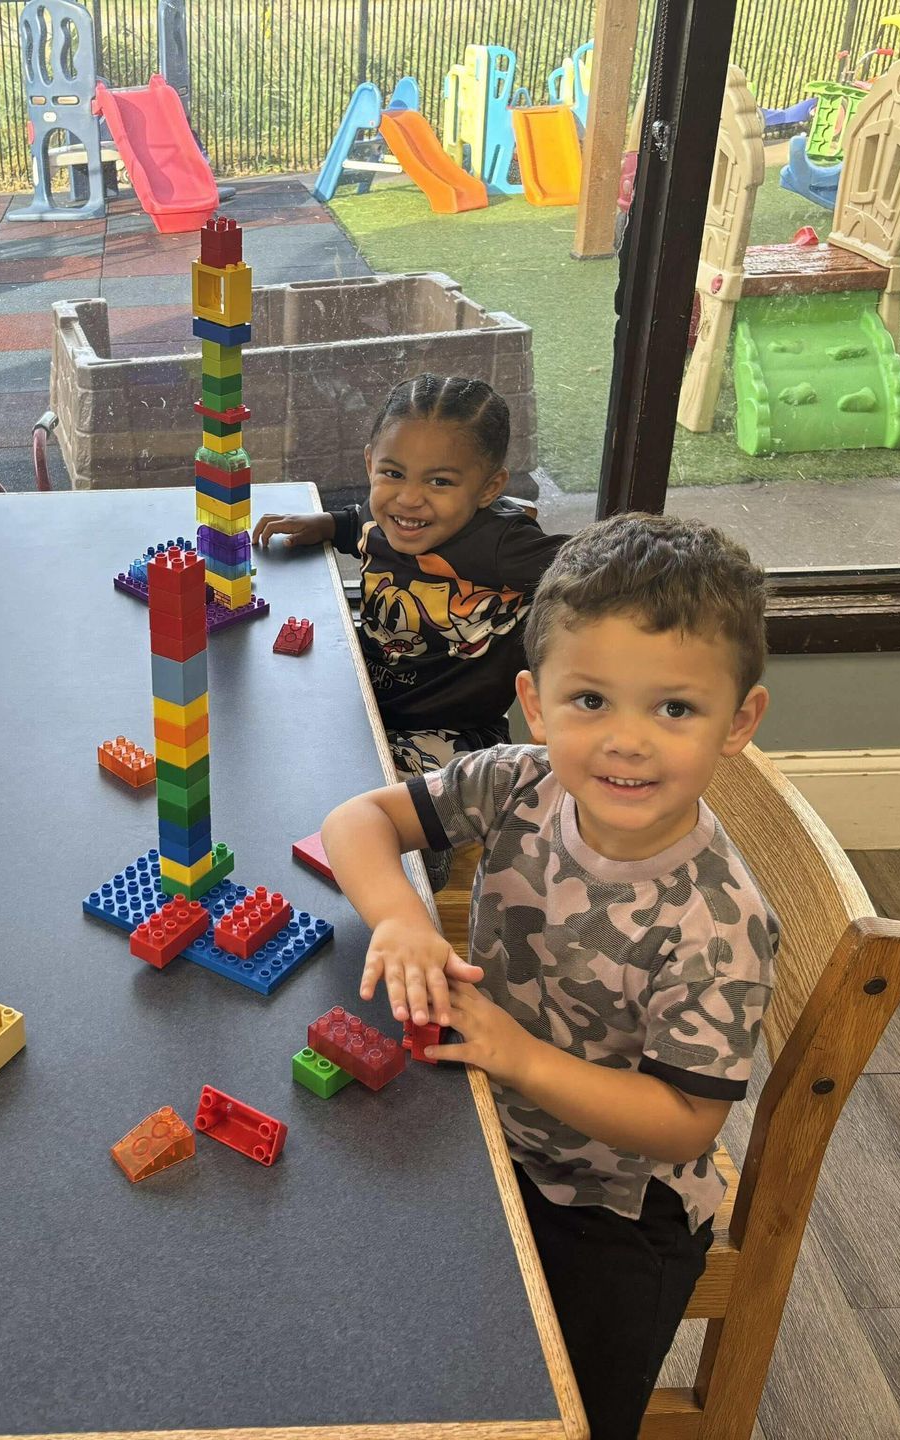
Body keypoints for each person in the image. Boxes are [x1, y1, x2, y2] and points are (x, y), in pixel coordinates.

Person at [320, 512, 778, 1440]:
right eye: (591, 701)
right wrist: (405, 923)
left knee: (559, 1416)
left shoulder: (719, 923)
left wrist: (520, 1057)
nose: (627, 742)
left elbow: (686, 1119)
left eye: (675, 709)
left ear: (741, 721)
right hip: (484, 1122)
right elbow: (355, 825)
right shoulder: (520, 782)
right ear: (536, 703)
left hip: (612, 1203)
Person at [252, 373, 565, 888]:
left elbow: (593, 564)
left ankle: (422, 863)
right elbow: (366, 524)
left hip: (452, 735)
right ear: (371, 461)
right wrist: (328, 523)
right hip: (370, 707)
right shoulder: (391, 521)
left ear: (489, 488)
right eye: (393, 473)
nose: (409, 500)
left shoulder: (502, 547)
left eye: (439, 482)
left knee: (393, 827)